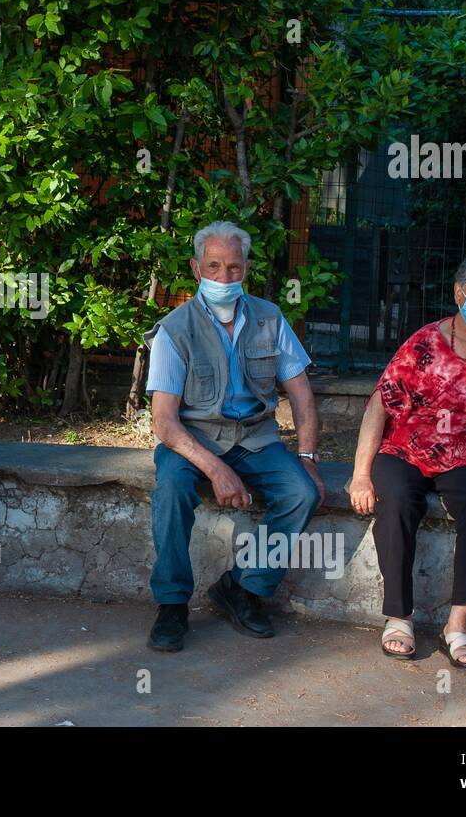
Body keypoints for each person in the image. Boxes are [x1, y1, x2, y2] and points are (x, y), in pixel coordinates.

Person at [349, 250, 466, 672]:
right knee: (396, 499)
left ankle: (459, 624)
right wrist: (361, 474)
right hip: (407, 446)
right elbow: (380, 404)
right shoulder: (424, 343)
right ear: (459, 293)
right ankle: (399, 617)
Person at [144, 221, 324, 650]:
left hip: (256, 438)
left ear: (246, 269)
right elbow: (165, 422)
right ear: (195, 269)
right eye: (214, 267)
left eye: (234, 268)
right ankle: (171, 605)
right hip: (194, 440)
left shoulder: (269, 318)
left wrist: (308, 456)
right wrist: (217, 469)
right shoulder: (174, 330)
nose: (224, 278)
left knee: (302, 492)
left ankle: (243, 588)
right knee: (170, 490)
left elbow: (300, 393)